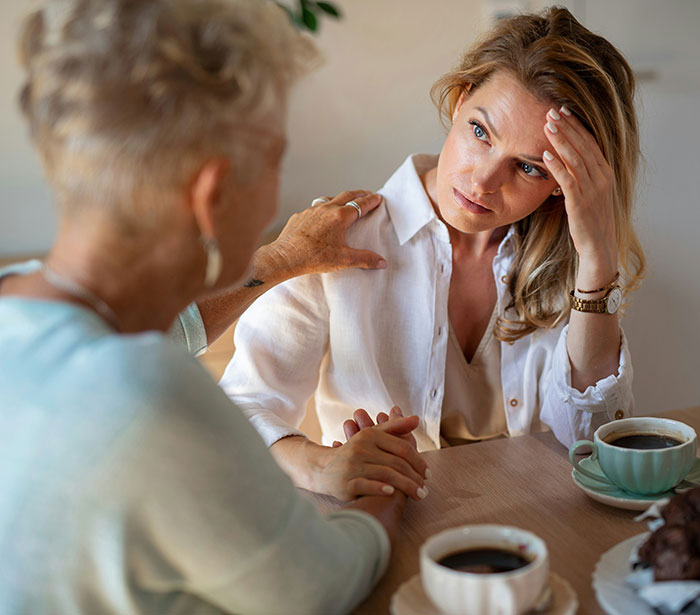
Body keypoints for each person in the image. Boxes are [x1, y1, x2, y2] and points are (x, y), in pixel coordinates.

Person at [0, 1, 428, 613]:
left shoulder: (19, 306)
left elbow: (156, 332)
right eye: (277, 161)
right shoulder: (148, 394)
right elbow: (316, 587)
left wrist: (280, 260)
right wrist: (383, 491)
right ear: (213, 194)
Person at [217, 7, 646, 501]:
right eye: (480, 132)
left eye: (529, 168)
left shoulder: (572, 263)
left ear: (561, 186)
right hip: (384, 525)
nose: (483, 181)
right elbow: (239, 406)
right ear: (460, 101)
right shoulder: (335, 240)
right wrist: (321, 465)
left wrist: (596, 263)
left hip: (533, 529)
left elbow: (590, 447)